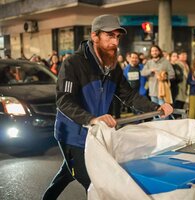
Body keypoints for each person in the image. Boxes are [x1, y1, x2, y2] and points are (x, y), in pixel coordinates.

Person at [42, 14, 173, 200]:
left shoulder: (113, 66)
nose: (115, 41)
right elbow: (64, 100)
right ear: (95, 36)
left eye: (117, 37)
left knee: (67, 173)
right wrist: (91, 119)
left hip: (97, 133)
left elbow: (129, 95)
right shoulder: (73, 63)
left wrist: (156, 108)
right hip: (73, 134)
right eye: (109, 36)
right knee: (97, 183)